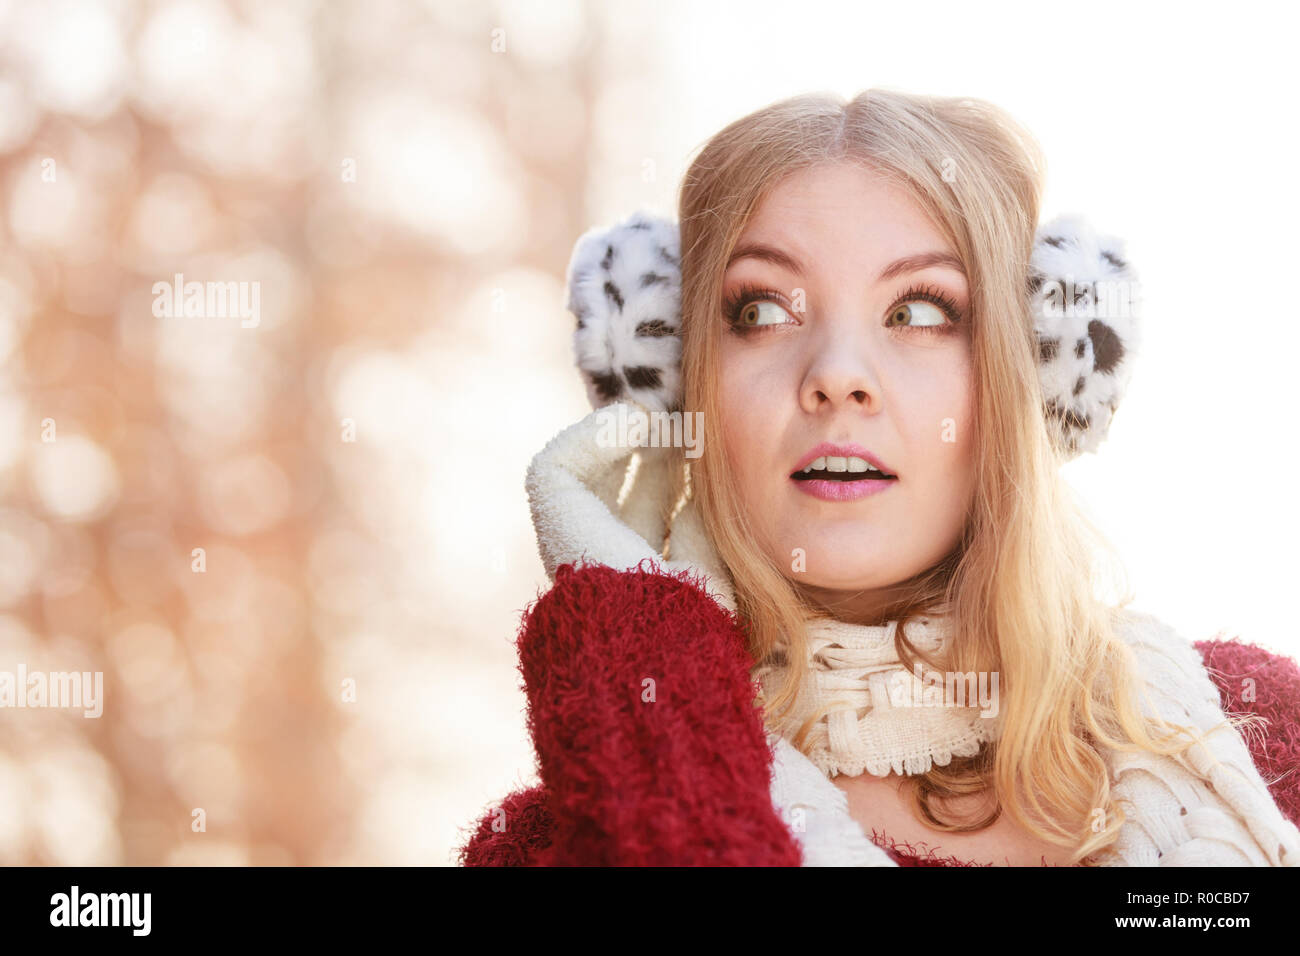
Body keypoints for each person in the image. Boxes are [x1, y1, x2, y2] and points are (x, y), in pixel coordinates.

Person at [459, 89, 1300, 867]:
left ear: (1034, 372)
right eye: (761, 310)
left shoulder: (1261, 738)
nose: (836, 375)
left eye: (920, 311)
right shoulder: (566, 835)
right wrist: (643, 652)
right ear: (676, 377)